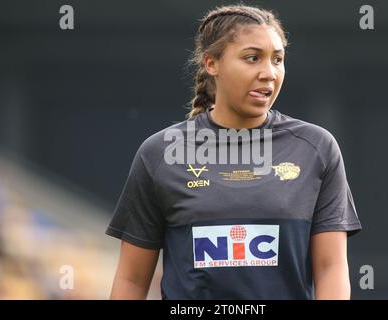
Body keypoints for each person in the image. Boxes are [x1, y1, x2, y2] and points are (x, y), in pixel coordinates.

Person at [106, 4, 361, 300]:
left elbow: (331, 268)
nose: (269, 73)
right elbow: (132, 280)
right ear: (212, 63)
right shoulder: (160, 153)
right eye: (252, 58)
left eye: (277, 60)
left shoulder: (316, 148)